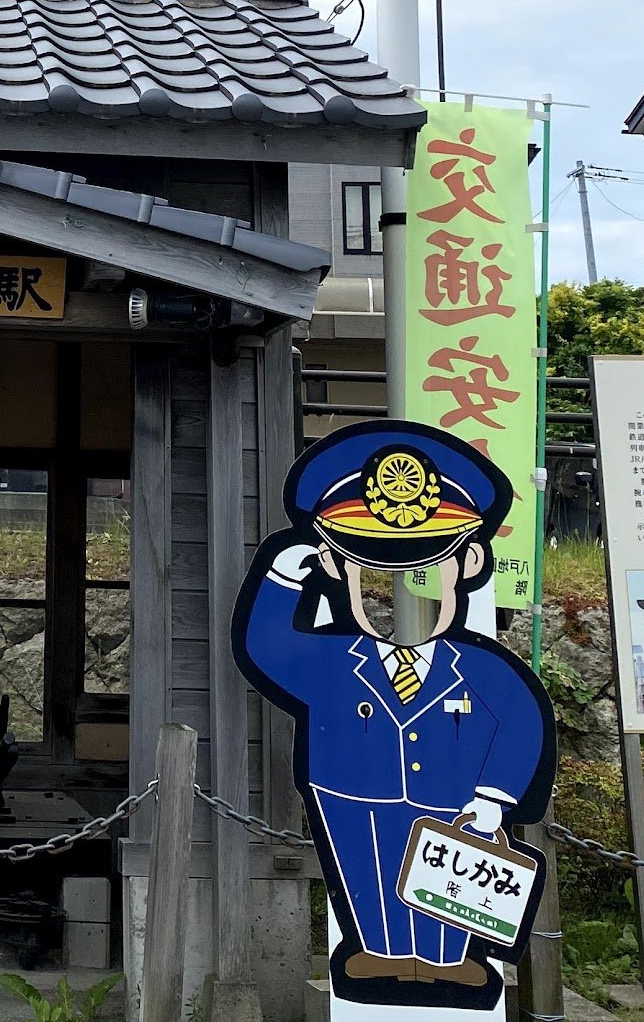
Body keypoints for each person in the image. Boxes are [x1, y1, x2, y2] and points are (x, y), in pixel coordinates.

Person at [233, 420, 555, 1008]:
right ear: (336, 568)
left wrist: (494, 796)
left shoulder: (481, 669)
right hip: (352, 793)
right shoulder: (332, 661)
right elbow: (268, 649)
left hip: (456, 802)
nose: (399, 596)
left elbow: (520, 721)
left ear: (468, 563)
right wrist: (280, 578)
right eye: (377, 577)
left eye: (423, 574)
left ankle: (446, 962)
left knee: (450, 890)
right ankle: (381, 954)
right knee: (367, 878)